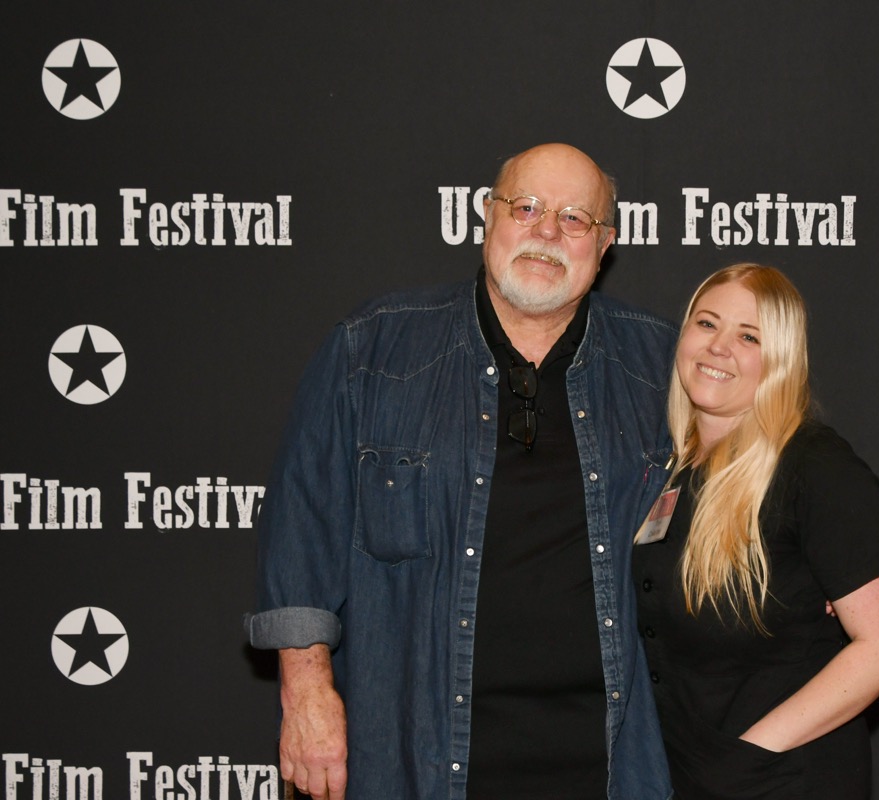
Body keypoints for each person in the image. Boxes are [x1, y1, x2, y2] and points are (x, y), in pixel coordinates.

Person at [245, 143, 676, 800]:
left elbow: (742, 497)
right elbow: (302, 527)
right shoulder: (374, 349)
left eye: (574, 219)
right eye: (526, 207)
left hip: (611, 759)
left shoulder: (661, 366)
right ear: (487, 216)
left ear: (606, 241)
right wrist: (305, 694)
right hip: (415, 754)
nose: (546, 232)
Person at [632, 264, 879, 799]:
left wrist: (753, 752)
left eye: (748, 336)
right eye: (707, 323)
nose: (719, 347)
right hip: (689, 777)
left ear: (780, 358)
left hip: (781, 782)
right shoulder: (668, 468)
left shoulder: (816, 467)